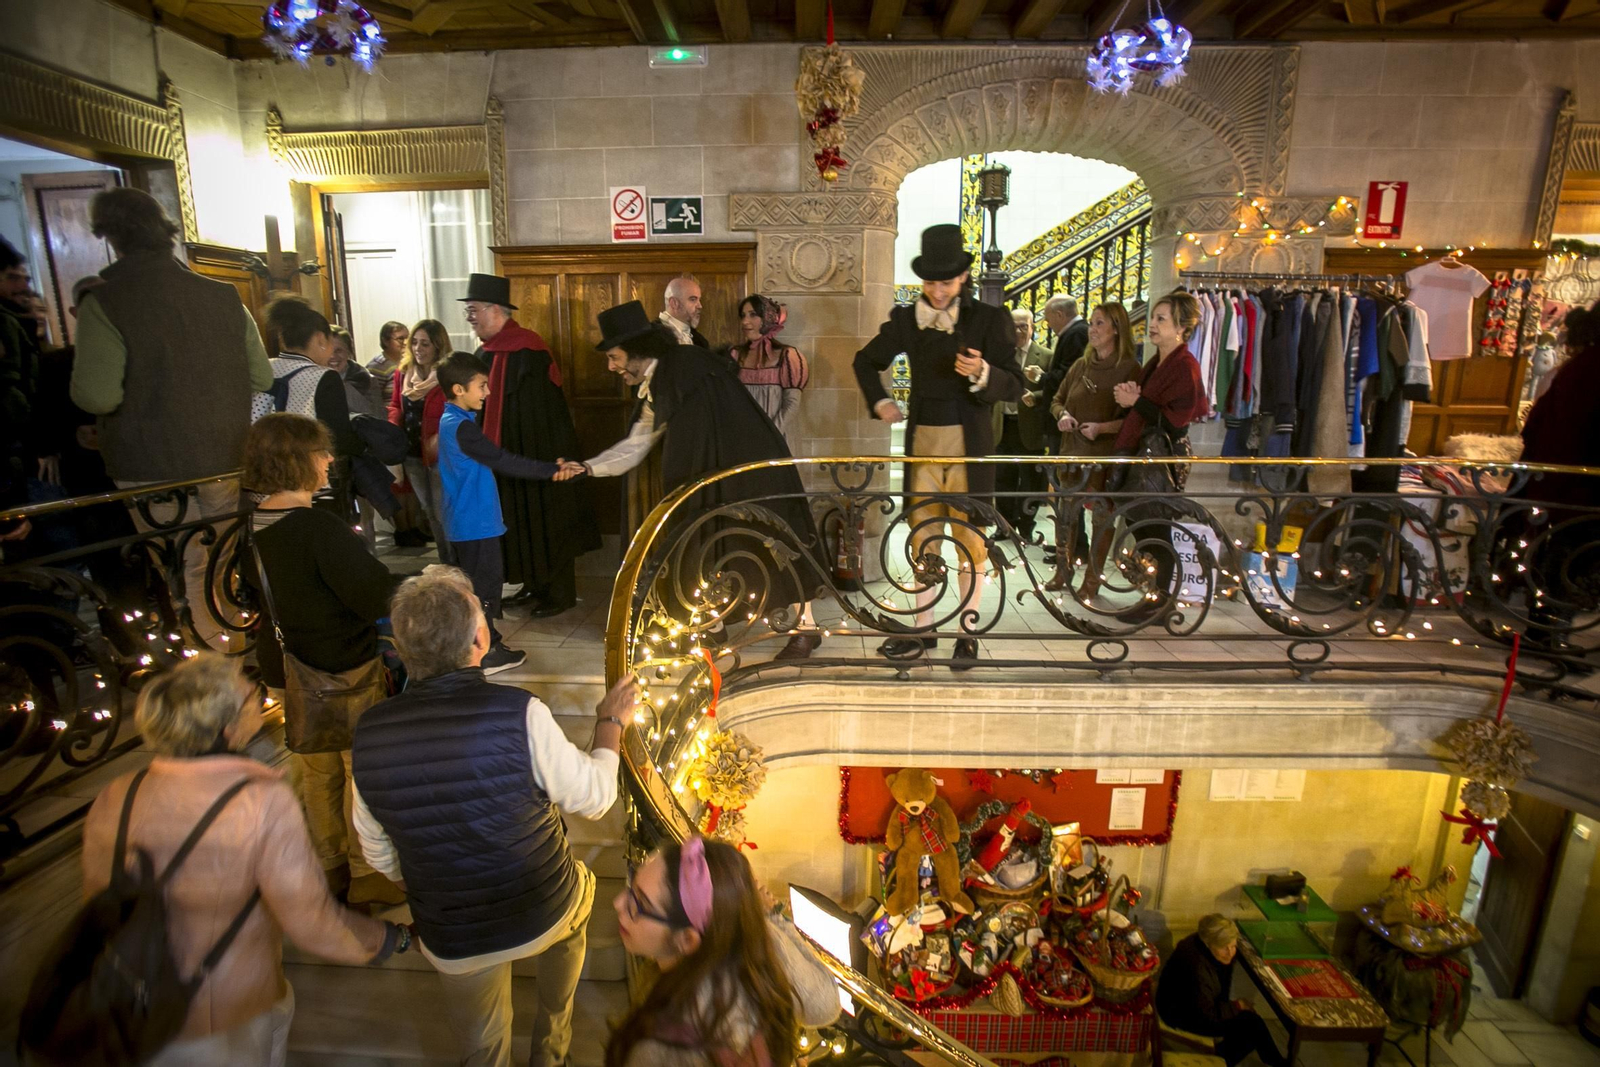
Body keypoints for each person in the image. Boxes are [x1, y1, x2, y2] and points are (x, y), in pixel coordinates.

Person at [350, 567, 636, 1067]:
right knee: (582, 894)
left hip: (453, 932)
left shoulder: (369, 734)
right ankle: (552, 1049)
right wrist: (610, 722)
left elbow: (376, 851)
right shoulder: (519, 713)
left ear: (398, 645)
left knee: (480, 1048)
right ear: (480, 639)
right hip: (542, 906)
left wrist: (429, 876)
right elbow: (594, 797)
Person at [78, 653, 408, 1066]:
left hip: (135, 997)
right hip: (226, 1006)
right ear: (226, 725)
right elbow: (309, 919)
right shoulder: (257, 797)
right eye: (251, 695)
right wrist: (388, 939)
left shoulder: (118, 793)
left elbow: (98, 898)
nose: (262, 698)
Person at [70, 188, 272, 649]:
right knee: (218, 563)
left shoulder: (107, 302)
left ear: (109, 238)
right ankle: (228, 656)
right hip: (223, 452)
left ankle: (214, 669)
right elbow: (260, 375)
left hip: (151, 462)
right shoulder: (224, 296)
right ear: (167, 234)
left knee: (181, 568)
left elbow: (95, 395)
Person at [567, 301, 825, 660]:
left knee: (772, 539)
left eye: (614, 356)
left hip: (748, 468)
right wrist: (589, 467)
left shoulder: (684, 365)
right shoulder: (666, 375)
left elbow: (715, 422)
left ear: (637, 350)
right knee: (713, 545)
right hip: (716, 477)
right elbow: (639, 442)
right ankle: (712, 629)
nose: (612, 367)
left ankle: (805, 630)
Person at [241, 412, 405, 907]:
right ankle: (369, 873)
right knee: (362, 773)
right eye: (322, 452)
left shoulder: (251, 524)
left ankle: (330, 867)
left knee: (317, 773)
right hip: (344, 667)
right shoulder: (316, 527)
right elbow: (373, 596)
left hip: (289, 669)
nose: (331, 460)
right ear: (296, 462)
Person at [852, 224, 1024, 667]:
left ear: (963, 277)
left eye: (945, 282)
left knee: (971, 542)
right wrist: (880, 399)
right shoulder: (907, 320)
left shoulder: (989, 320)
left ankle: (967, 633)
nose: (937, 291)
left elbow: (1015, 384)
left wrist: (984, 373)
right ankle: (923, 629)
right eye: (930, 282)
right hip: (922, 444)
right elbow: (865, 360)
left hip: (970, 445)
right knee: (922, 540)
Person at [607, 836, 841, 1067]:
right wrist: (769, 917)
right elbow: (825, 1005)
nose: (618, 903)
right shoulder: (755, 952)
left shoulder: (662, 1049)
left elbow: (826, 1005)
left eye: (639, 904)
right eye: (631, 885)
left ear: (687, 940)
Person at [460, 273, 599, 618]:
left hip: (538, 452)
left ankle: (559, 592)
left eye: (474, 309)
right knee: (519, 522)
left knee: (546, 520)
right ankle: (533, 584)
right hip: (509, 457)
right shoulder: (486, 351)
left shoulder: (528, 349)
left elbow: (542, 412)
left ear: (496, 309)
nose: (470, 317)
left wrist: (539, 458)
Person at [436, 352, 582, 674]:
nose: (488, 393)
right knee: (485, 587)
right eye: (482, 386)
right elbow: (503, 460)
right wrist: (550, 470)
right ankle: (485, 653)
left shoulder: (452, 421)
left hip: (465, 521)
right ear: (459, 389)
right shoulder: (462, 428)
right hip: (475, 524)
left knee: (477, 586)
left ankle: (481, 643)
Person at [1110, 291, 1205, 623]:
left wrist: (1135, 402)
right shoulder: (1157, 362)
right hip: (1143, 453)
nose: (1152, 324)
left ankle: (1160, 602)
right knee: (1143, 527)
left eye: (1161, 319)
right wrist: (1132, 400)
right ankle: (1153, 597)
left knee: (1156, 529)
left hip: (1162, 458)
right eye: (1153, 317)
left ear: (1181, 327)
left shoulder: (1184, 365)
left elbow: (1175, 419)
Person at [1045, 302, 1142, 596]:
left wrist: (1101, 428)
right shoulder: (1081, 364)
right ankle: (1064, 570)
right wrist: (1063, 416)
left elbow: (1133, 419)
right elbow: (1057, 399)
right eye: (1091, 323)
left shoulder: (1129, 368)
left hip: (1104, 457)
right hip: (1071, 452)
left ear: (1116, 328)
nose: (1093, 329)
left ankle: (1093, 579)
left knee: (1101, 517)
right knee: (1066, 515)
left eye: (1100, 323)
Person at [1156, 915, 1290, 1067]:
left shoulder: (1201, 942)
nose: (1230, 952)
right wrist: (1238, 1006)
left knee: (1246, 1021)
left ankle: (1269, 1059)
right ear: (1208, 944)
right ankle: (1221, 1058)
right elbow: (1207, 1013)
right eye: (1224, 948)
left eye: (1233, 946)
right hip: (1181, 1013)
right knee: (1252, 1025)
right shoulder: (1197, 969)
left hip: (1190, 1003)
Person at [388, 317, 451, 558]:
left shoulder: (446, 375)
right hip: (412, 451)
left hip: (438, 451)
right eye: (414, 343)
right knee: (427, 509)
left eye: (425, 344)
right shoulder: (403, 373)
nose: (417, 349)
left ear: (437, 346)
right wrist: (394, 425)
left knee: (442, 509)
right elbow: (396, 404)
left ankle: (455, 561)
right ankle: (446, 561)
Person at [992, 308, 1056, 542]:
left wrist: (1036, 396)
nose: (1019, 330)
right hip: (1003, 425)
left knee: (1030, 479)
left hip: (1030, 427)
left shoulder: (1046, 356)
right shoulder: (999, 356)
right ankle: (1004, 526)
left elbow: (1054, 390)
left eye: (1024, 326)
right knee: (1003, 478)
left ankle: (1026, 527)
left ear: (1033, 328)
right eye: (1015, 326)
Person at [732, 294, 809, 443]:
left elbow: (792, 404)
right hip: (742, 438)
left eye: (753, 315)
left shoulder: (788, 356)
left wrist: (769, 435)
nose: (745, 321)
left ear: (767, 318)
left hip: (776, 437)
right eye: (743, 316)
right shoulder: (735, 355)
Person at [1036, 294, 1088, 406]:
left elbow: (1069, 375)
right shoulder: (1074, 332)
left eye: (1048, 319)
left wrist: (1040, 376)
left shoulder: (1077, 334)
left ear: (1059, 315)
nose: (1048, 324)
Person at [661, 274, 709, 348]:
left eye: (699, 300)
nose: (700, 306)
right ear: (674, 303)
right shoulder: (651, 338)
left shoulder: (700, 341)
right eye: (693, 299)